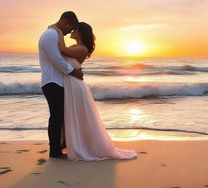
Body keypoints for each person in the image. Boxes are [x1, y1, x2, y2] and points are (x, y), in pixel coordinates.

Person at [49, 22, 137, 161]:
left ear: (81, 33)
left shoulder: (82, 49)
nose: (72, 30)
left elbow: (61, 49)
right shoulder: (76, 47)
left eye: (75, 29)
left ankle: (83, 146)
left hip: (76, 86)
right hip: (71, 83)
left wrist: (58, 31)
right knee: (73, 116)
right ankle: (70, 144)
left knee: (79, 116)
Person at [38, 11, 84, 158]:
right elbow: (57, 60)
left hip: (55, 81)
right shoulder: (50, 35)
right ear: (66, 22)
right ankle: (54, 151)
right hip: (52, 82)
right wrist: (74, 72)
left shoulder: (52, 34)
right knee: (56, 117)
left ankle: (60, 146)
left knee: (60, 116)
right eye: (69, 29)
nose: (67, 33)